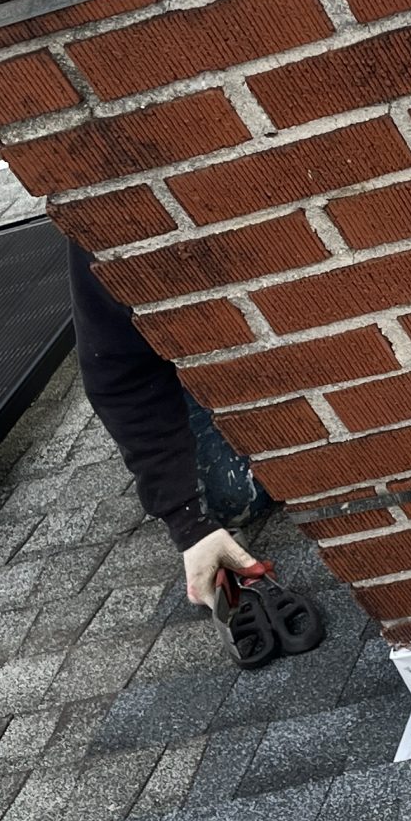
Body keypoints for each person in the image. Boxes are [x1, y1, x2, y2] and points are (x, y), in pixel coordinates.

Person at [66, 242, 266, 607]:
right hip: (213, 341)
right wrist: (188, 523)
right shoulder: (110, 232)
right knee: (233, 496)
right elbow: (119, 376)